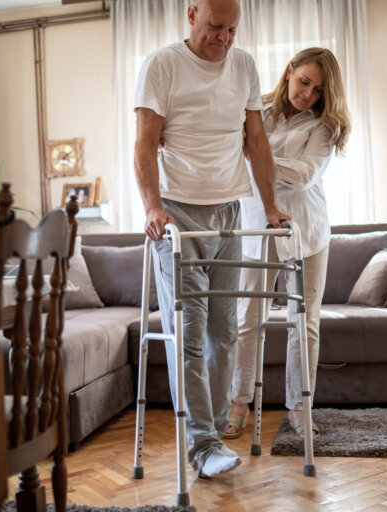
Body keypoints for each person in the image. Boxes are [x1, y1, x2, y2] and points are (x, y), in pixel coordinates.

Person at [133, 0, 290, 478]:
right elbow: (144, 141)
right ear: (191, 15)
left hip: (229, 212)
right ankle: (201, 445)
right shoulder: (162, 65)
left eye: (232, 29)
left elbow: (255, 140)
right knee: (192, 336)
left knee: (225, 332)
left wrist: (269, 206)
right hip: (178, 217)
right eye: (215, 27)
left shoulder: (243, 65)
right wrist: (152, 207)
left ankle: (216, 428)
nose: (224, 38)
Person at [225, 47, 351, 439]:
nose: (308, 94)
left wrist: (257, 155)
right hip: (253, 229)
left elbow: (305, 174)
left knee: (304, 323)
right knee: (248, 319)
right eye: (304, 82)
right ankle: (238, 403)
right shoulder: (255, 112)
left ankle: (299, 408)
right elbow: (220, 145)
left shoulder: (324, 127)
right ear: (289, 72)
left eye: (317, 90)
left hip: (305, 232)